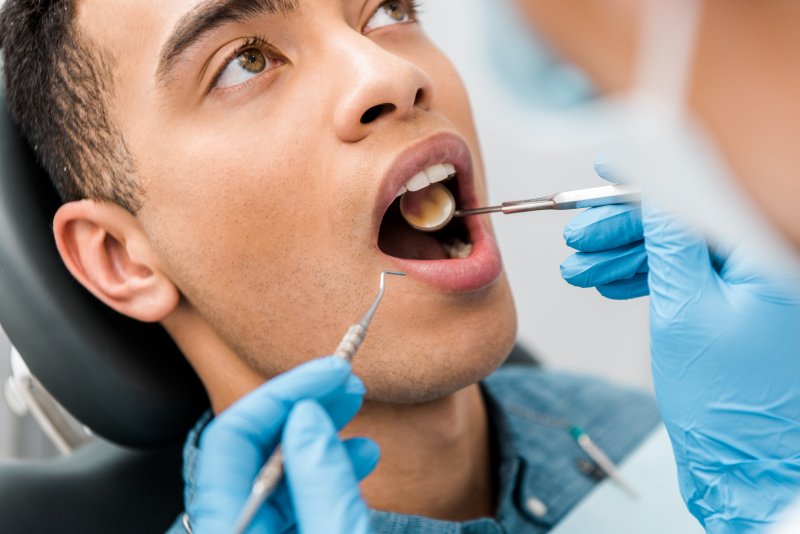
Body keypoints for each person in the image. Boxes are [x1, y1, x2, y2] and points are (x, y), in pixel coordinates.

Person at [0, 1, 662, 532]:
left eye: (387, 11)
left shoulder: (664, 435)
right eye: (244, 61)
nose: (389, 75)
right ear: (123, 261)